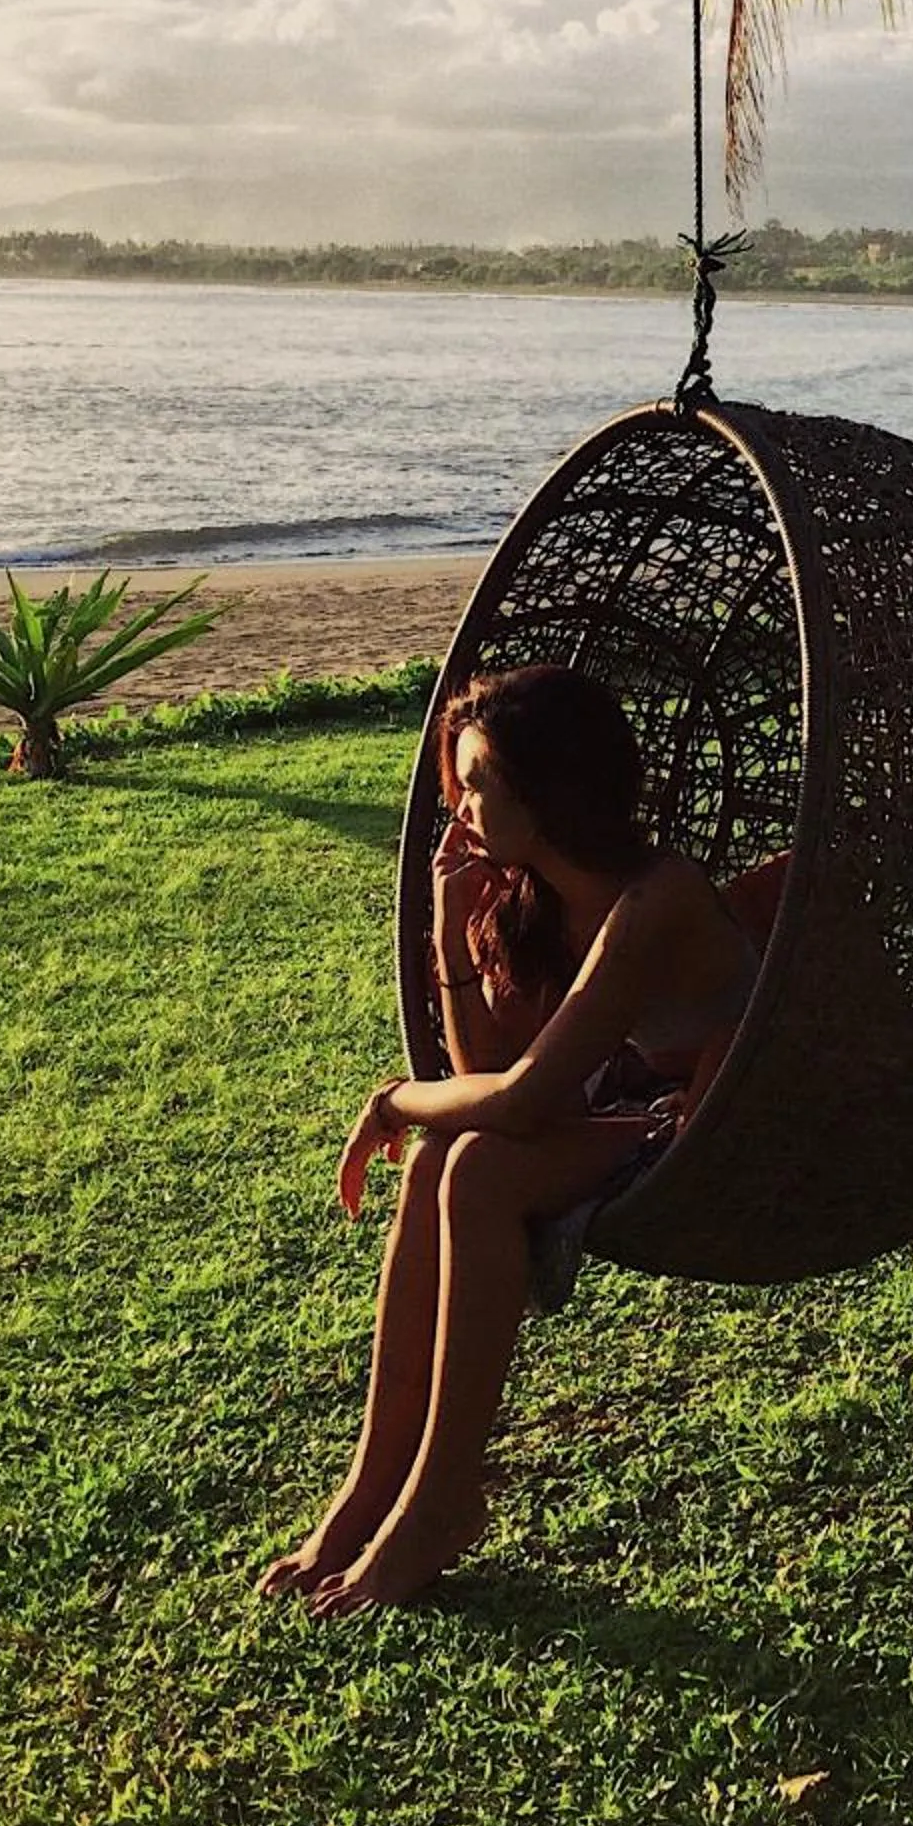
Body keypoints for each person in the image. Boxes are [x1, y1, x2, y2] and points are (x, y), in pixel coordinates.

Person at [258, 663, 760, 1616]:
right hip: (636, 1112)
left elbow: (521, 1101)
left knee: (477, 1166)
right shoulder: (540, 897)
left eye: (477, 784)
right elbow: (486, 1072)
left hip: (725, 1123)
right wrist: (452, 937)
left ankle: (441, 1499)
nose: (460, 809)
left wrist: (394, 1102)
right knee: (441, 1162)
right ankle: (371, 1491)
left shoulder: (655, 898)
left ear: (548, 792)